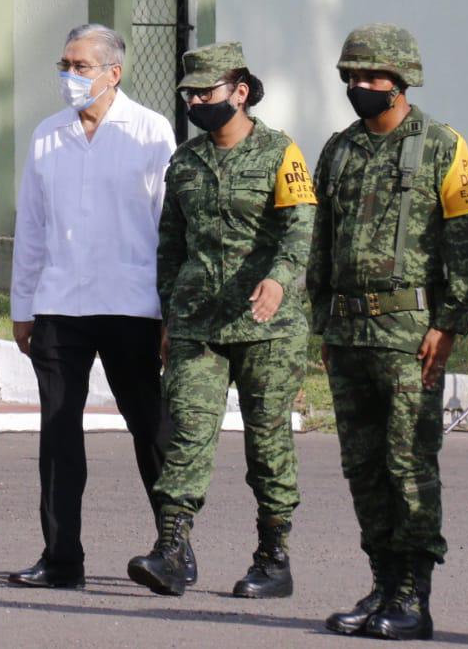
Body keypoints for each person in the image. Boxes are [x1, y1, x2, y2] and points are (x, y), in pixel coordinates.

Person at [308, 23, 468, 641]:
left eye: (372, 76)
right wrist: (323, 323)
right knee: (362, 465)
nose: (360, 86)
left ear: (401, 79)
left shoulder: (442, 145)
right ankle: (383, 581)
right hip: (349, 331)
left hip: (409, 332)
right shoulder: (339, 149)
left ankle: (413, 594)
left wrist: (449, 324)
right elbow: (322, 242)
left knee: (408, 463)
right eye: (352, 77)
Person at [126, 41, 315, 599]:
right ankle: (172, 551)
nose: (198, 102)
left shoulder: (283, 153)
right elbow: (170, 243)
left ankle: (273, 556)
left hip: (268, 329)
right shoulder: (184, 161)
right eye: (191, 94)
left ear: (239, 91)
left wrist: (279, 280)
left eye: (207, 91)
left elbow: (300, 229)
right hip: (196, 326)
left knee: (267, 444)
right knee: (185, 436)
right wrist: (167, 313)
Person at [7, 24, 179, 591]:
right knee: (57, 434)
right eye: (64, 63)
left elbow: (168, 226)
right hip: (60, 305)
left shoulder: (151, 132)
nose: (69, 75)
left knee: (148, 426)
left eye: (81, 66)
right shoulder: (47, 135)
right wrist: (23, 305)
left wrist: (168, 313)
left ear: (113, 72)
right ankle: (61, 559)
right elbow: (31, 226)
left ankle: (173, 546)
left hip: (132, 305)